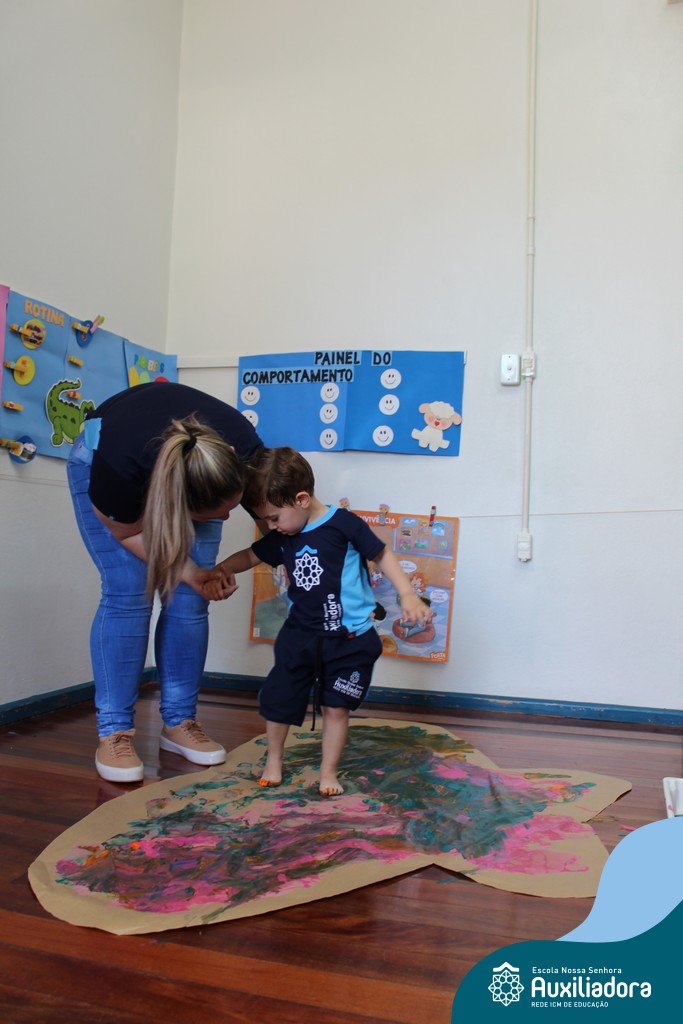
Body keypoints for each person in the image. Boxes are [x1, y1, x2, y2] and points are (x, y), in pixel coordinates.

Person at [66, 381, 264, 784]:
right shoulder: (118, 474)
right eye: (214, 515)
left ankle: (180, 722)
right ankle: (114, 732)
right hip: (105, 458)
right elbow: (127, 533)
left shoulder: (246, 449)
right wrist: (187, 570)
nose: (226, 520)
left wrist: (293, 561)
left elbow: (274, 518)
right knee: (128, 590)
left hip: (185, 469)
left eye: (231, 507)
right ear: (178, 506)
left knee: (191, 599)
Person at [205, 447, 432, 796]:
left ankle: (328, 772)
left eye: (274, 518)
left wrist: (408, 594)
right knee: (279, 701)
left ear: (301, 499)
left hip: (350, 639)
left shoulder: (344, 525)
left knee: (335, 707)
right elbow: (251, 555)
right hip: (301, 636)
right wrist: (223, 568)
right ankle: (274, 760)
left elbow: (382, 554)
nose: (270, 527)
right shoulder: (284, 536)